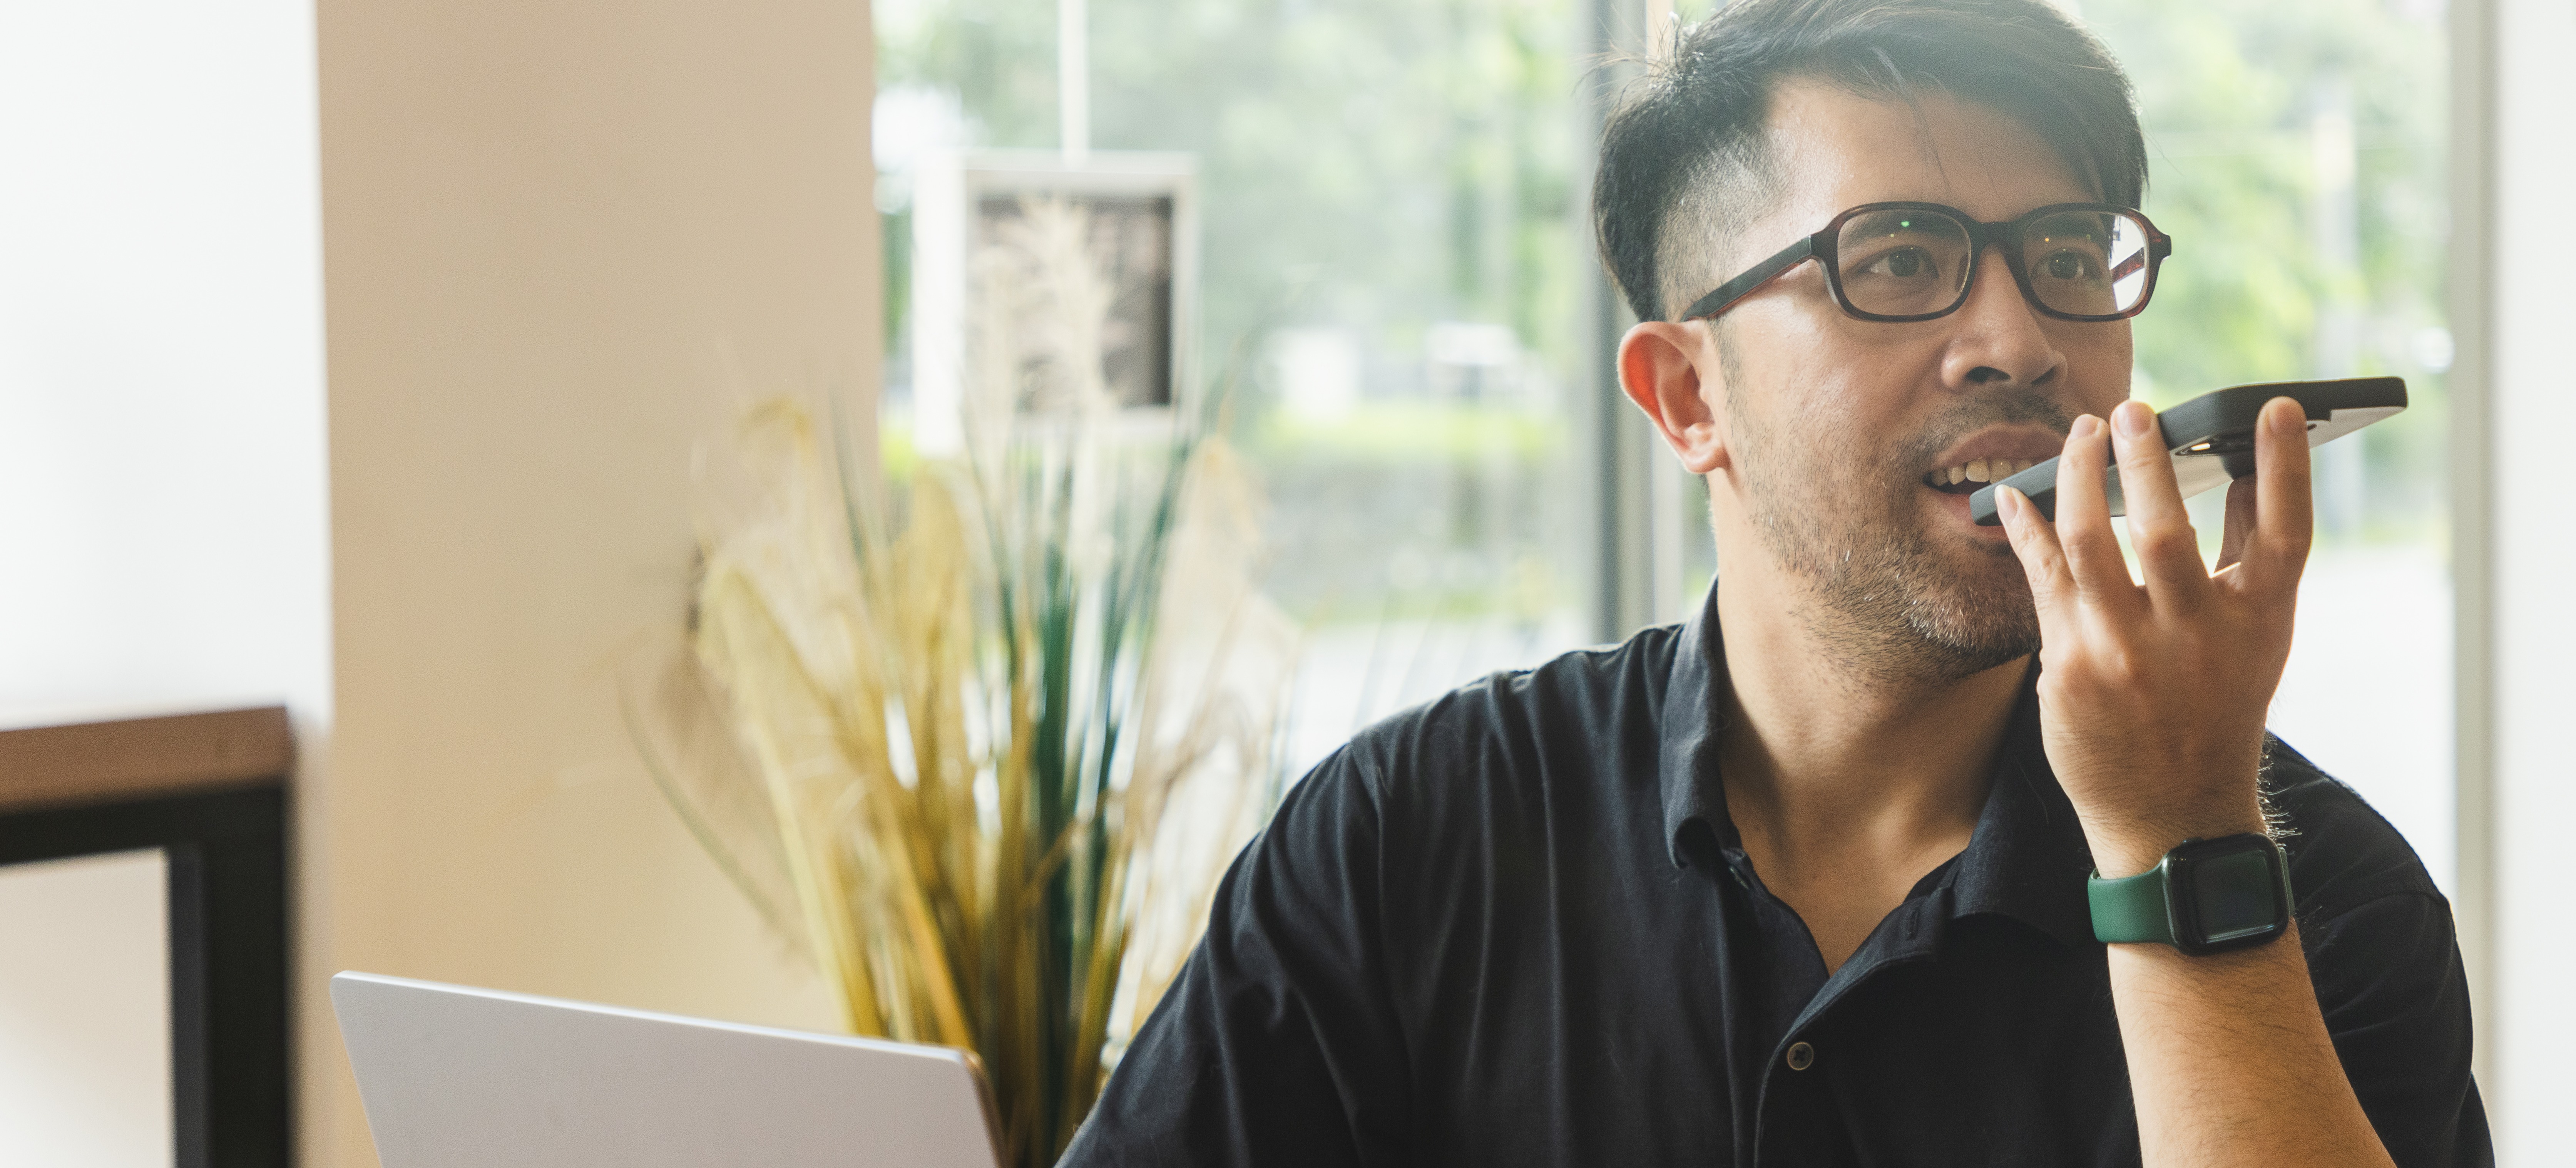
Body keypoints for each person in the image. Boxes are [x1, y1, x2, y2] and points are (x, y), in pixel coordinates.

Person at [1057, 0, 2488, 1163]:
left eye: (2064, 258)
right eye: (1900, 259)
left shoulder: (2319, 895)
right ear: (1688, 396)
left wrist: (2179, 842)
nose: (2016, 340)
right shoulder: (1413, 835)